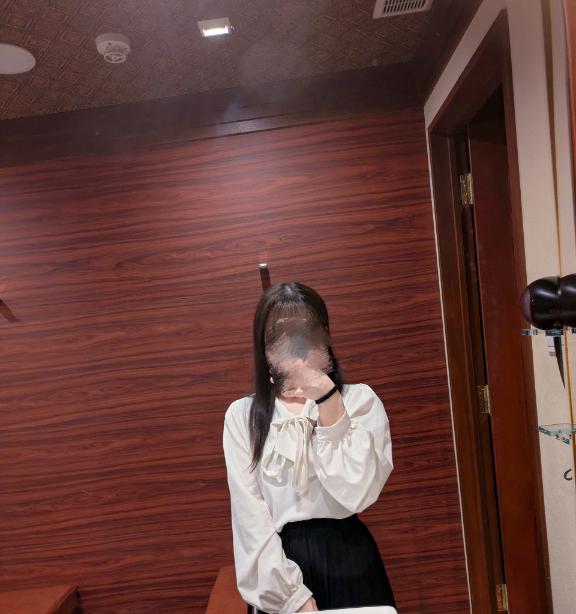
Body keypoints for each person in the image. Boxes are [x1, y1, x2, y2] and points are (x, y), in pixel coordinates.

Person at [222, 282, 396, 613]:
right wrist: (291, 597)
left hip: (351, 561)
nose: (296, 347)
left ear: (324, 335)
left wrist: (327, 399)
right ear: (264, 346)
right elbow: (249, 518)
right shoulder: (243, 416)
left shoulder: (359, 401)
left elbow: (358, 493)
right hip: (279, 566)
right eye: (280, 336)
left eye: (305, 332)